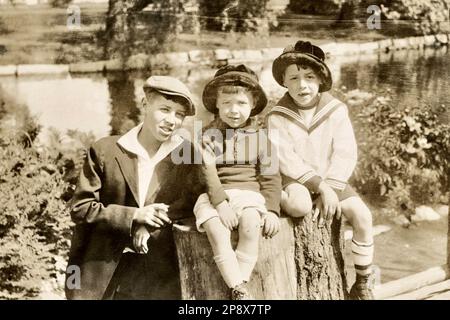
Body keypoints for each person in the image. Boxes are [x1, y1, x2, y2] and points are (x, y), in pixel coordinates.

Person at [65, 75, 203, 300]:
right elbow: (81, 208)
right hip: (104, 273)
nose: (172, 120)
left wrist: (148, 225)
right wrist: (134, 217)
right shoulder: (105, 150)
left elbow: (190, 206)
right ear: (145, 104)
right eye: (165, 109)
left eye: (179, 115)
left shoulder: (186, 155)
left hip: (160, 276)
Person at [266, 40, 375, 300]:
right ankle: (269, 198)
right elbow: (285, 157)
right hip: (297, 180)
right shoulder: (277, 115)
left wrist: (331, 188)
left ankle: (361, 282)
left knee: (362, 216)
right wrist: (319, 186)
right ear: (283, 81)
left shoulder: (335, 110)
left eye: (309, 77)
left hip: (332, 180)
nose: (302, 85)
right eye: (293, 78)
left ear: (321, 79)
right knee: (299, 207)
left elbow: (346, 152)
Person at [195, 64, 282, 300]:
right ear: (217, 105)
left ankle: (239, 286)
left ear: (253, 104)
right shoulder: (207, 135)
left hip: (248, 194)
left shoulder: (261, 139)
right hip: (215, 194)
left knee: (251, 225)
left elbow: (271, 177)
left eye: (241, 104)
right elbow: (206, 171)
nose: (234, 111)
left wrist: (273, 210)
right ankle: (238, 286)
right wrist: (221, 204)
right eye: (227, 104)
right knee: (215, 230)